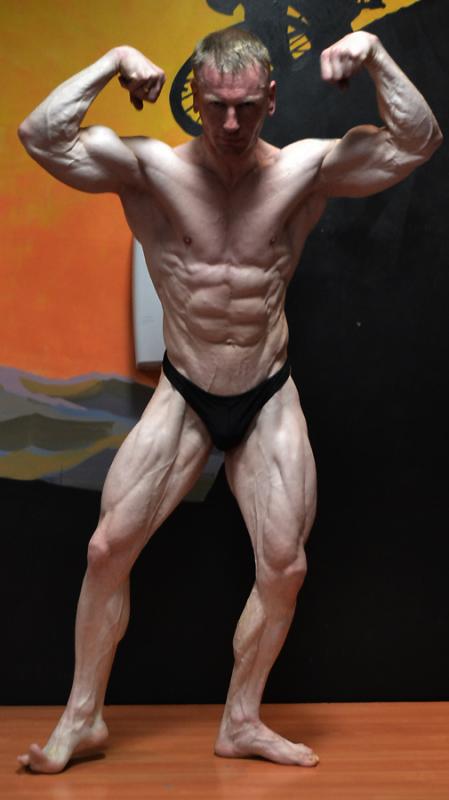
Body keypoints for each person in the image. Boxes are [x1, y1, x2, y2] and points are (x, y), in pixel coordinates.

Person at [17, 26, 441, 773]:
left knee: (285, 566)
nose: (232, 123)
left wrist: (374, 52)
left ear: (271, 99)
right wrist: (113, 62)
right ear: (196, 98)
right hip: (184, 391)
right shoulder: (149, 169)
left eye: (246, 106)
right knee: (106, 550)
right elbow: (41, 137)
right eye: (216, 106)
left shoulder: (303, 170)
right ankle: (82, 719)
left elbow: (416, 141)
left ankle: (241, 720)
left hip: (266, 392)